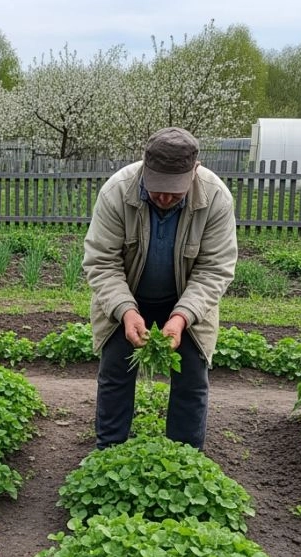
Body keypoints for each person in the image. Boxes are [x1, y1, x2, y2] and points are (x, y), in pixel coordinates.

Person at [82, 127, 238, 451]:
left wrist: (181, 318)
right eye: (157, 189)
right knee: (116, 369)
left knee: (192, 376)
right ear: (144, 168)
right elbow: (101, 262)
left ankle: (185, 458)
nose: (165, 197)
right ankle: (108, 452)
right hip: (127, 293)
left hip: (186, 298)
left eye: (175, 191)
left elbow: (214, 269)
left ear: (194, 172)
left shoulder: (215, 197)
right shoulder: (117, 192)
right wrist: (126, 311)